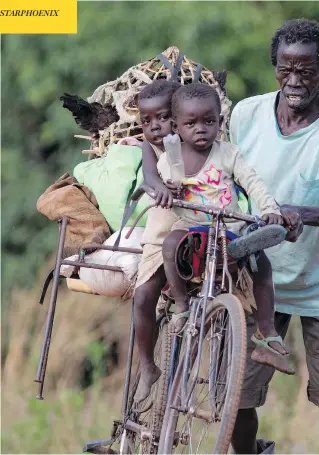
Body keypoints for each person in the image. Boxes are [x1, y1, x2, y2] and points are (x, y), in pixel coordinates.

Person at [229, 19, 319, 454]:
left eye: (306, 71)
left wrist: (298, 213)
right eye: (285, 69)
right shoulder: (246, 113)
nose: (294, 81)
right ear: (274, 67)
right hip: (257, 279)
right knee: (237, 399)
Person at [154, 82, 299, 375]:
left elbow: (252, 182)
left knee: (261, 262)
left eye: (209, 121)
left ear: (221, 123)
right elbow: (166, 185)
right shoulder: (171, 157)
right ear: (176, 127)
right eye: (191, 123)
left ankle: (267, 332)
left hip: (228, 226)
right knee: (170, 245)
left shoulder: (228, 154)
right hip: (191, 226)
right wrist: (170, 191)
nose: (201, 129)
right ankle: (181, 303)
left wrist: (270, 209)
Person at [119, 79, 181, 405]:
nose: (155, 126)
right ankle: (147, 366)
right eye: (147, 120)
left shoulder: (197, 136)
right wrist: (160, 190)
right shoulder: (150, 146)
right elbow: (151, 178)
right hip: (163, 227)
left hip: (200, 222)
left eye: (163, 117)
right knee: (143, 296)